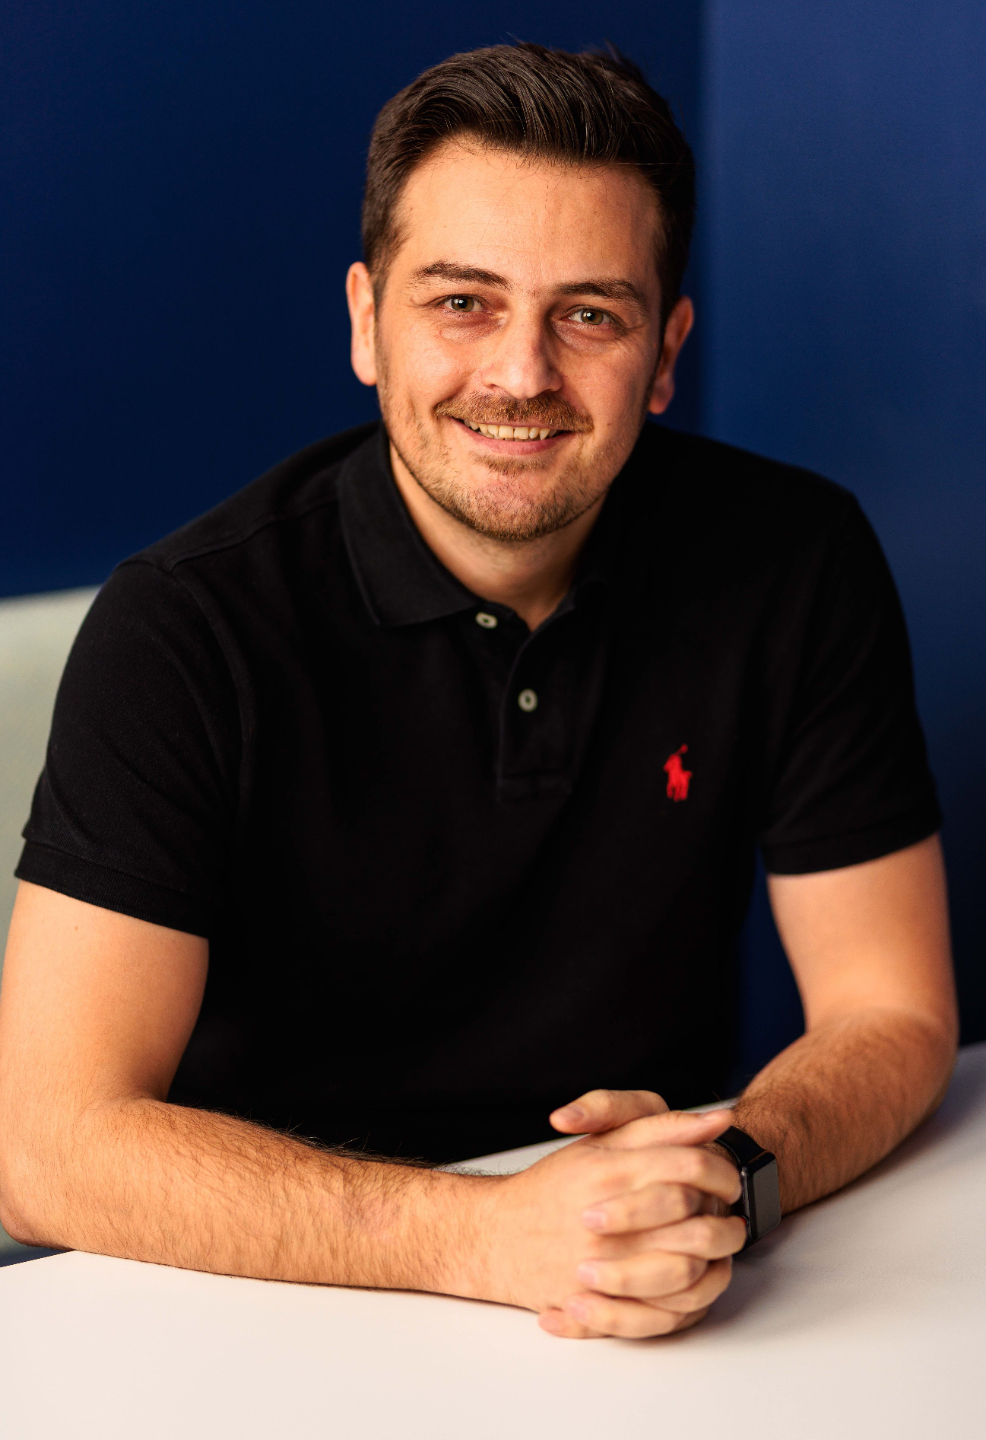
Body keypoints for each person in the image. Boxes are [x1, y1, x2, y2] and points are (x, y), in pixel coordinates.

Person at [0, 44, 956, 1341]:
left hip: (640, 1302)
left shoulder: (793, 563)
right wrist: (485, 1235)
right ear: (365, 321)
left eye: (590, 314)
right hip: (252, 1297)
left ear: (665, 351)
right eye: (462, 302)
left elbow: (891, 1007)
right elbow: (47, 1146)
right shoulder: (184, 626)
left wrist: (731, 1174)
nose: (519, 374)